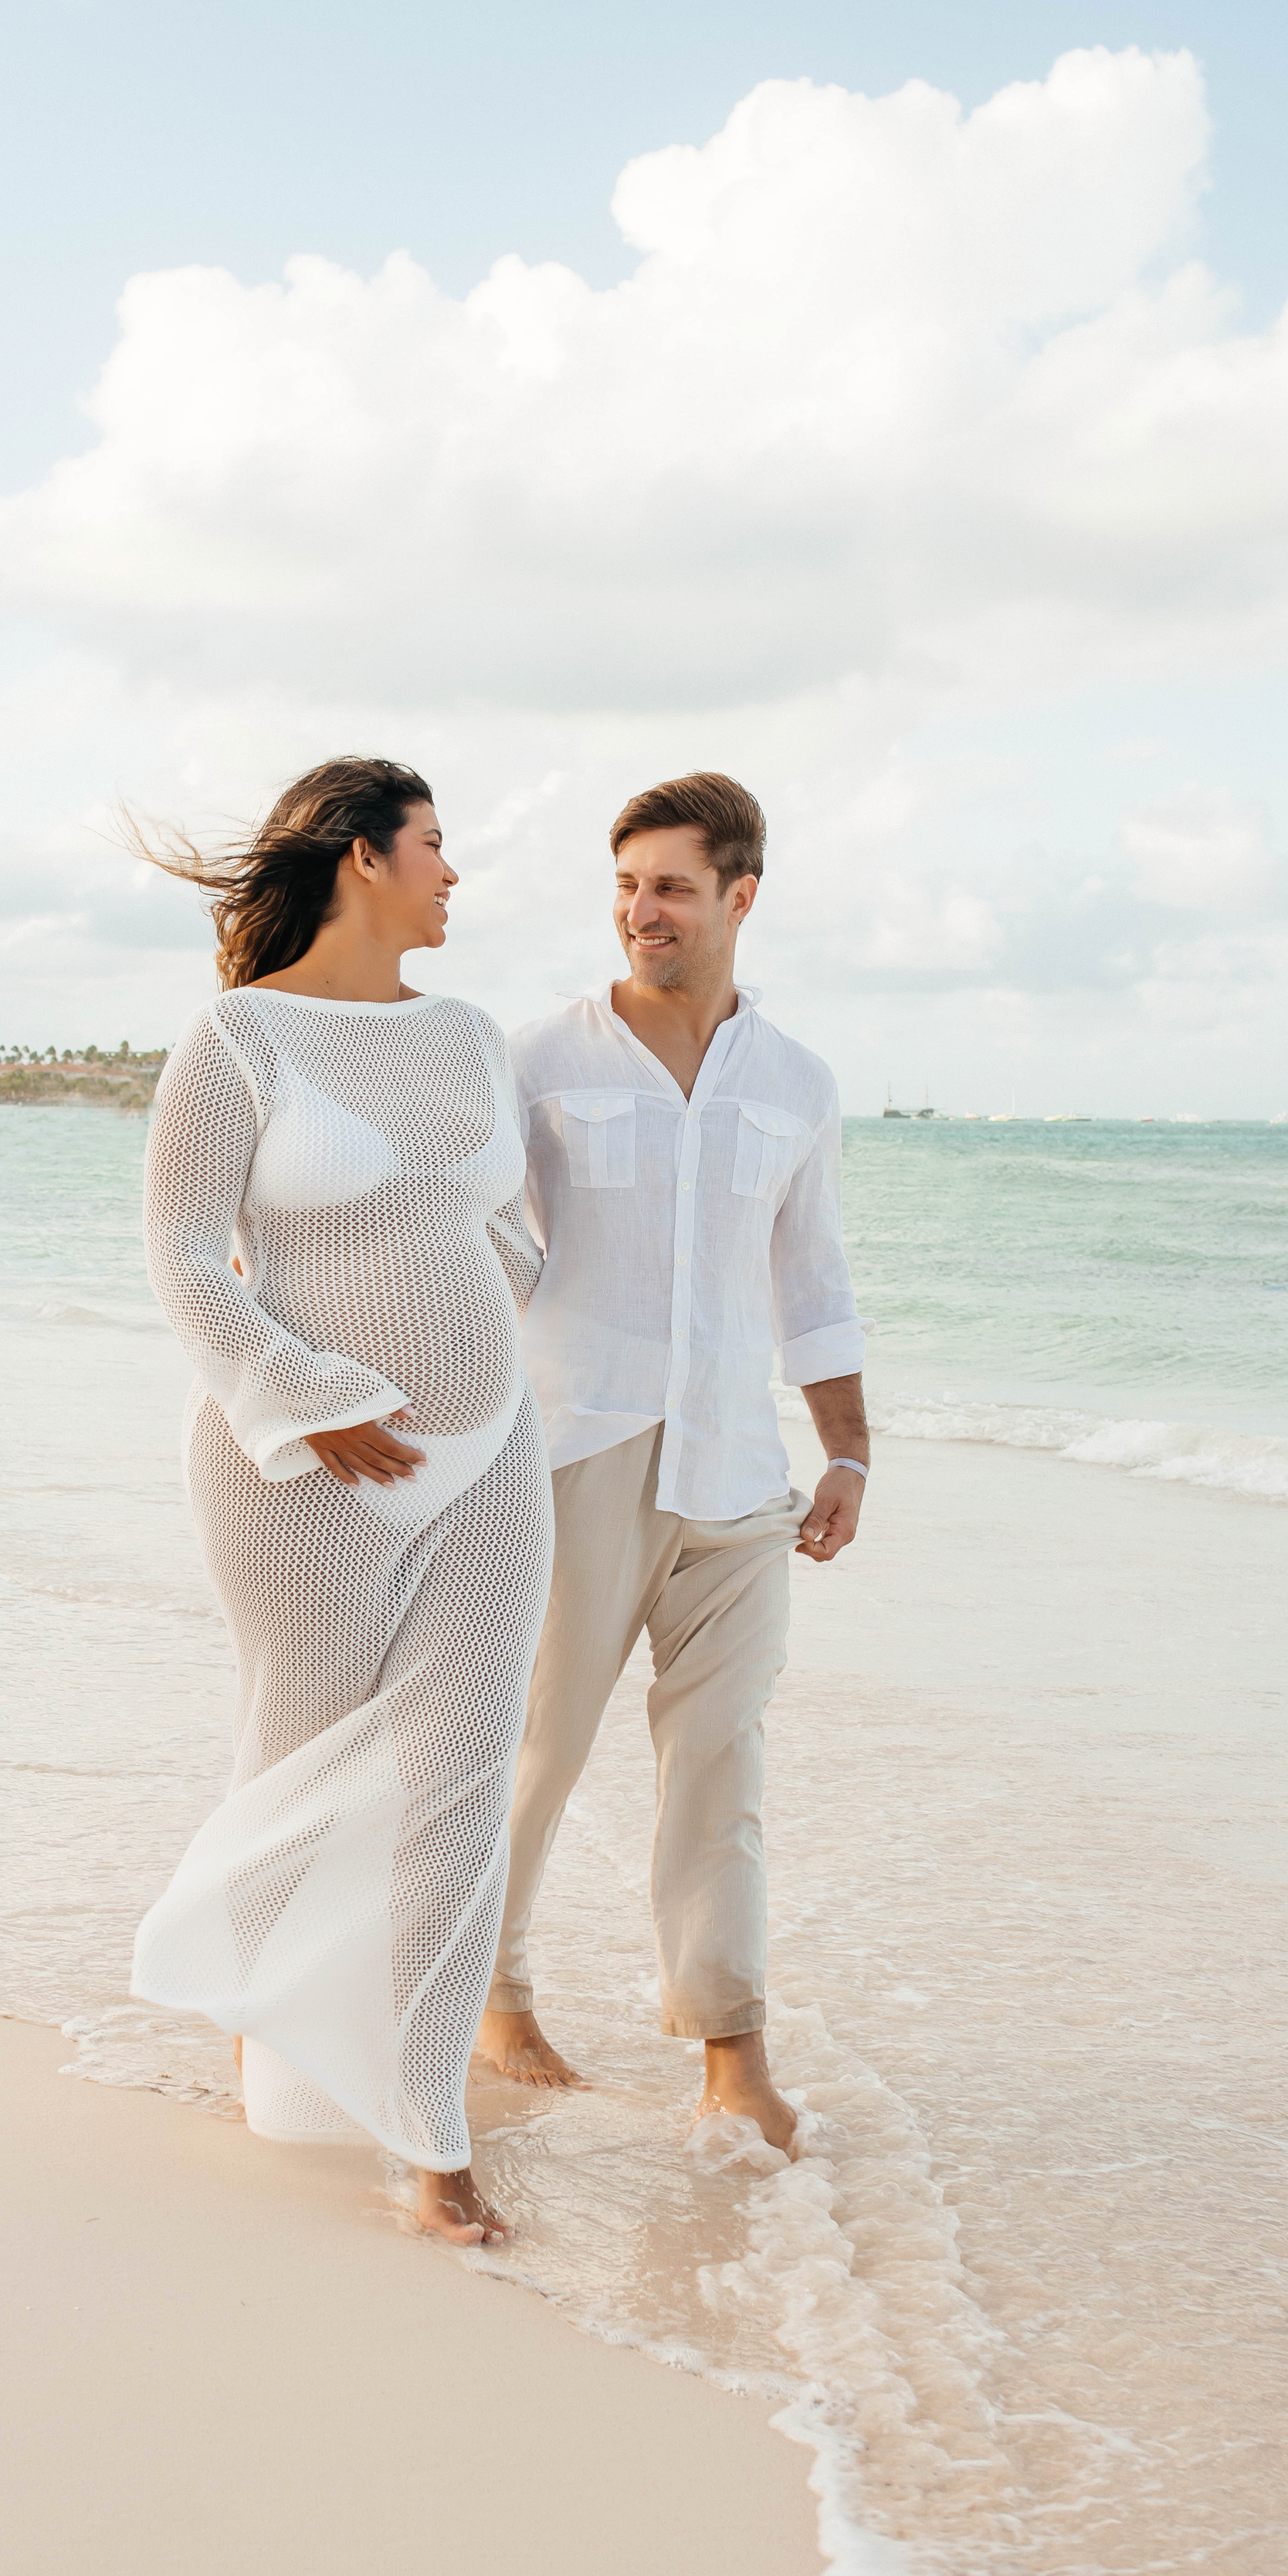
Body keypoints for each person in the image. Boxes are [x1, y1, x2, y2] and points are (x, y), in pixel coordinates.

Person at [129, 758, 552, 2246]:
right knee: (295, 1782)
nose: (454, 876)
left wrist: (468, 1360)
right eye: (437, 846)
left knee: (457, 1795)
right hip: (303, 1477)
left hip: (491, 1462)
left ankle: (434, 2137)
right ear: (362, 858)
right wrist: (322, 1397)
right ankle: (273, 2050)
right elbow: (183, 1258)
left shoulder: (472, 1036)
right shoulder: (237, 1040)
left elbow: (507, 1233)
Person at [475, 772, 869, 2151]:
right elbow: (467, 1242)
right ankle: (493, 1994)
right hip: (575, 1448)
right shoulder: (538, 1060)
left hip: (737, 1473)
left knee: (722, 1763)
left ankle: (730, 2051)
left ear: (740, 897)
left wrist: (850, 1455)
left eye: (673, 887)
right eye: (629, 886)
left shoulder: (798, 1082)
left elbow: (812, 1276)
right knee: (539, 1749)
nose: (643, 912)